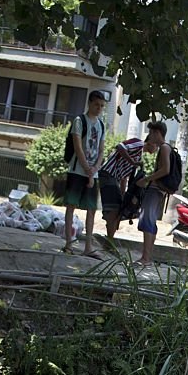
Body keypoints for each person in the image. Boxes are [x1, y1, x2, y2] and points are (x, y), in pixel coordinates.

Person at [63, 89, 106, 259]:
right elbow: (78, 146)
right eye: (96, 104)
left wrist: (95, 168)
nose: (99, 108)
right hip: (77, 170)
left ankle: (88, 246)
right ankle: (68, 243)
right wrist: (86, 168)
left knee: (91, 208)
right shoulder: (79, 121)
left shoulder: (101, 124)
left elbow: (101, 149)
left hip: (93, 173)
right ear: (90, 103)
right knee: (71, 205)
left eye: (102, 105)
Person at [134, 120, 173, 268]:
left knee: (147, 222)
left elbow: (165, 170)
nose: (149, 136)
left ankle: (145, 258)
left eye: (151, 132)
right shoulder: (167, 147)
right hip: (160, 190)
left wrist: (146, 179)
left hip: (155, 189)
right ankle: (147, 256)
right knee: (151, 222)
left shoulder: (163, 148)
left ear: (157, 133)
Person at [98, 136, 145, 239]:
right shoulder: (139, 144)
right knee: (113, 211)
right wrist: (132, 162)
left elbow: (124, 178)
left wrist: (123, 198)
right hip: (108, 173)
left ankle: (110, 239)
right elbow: (120, 146)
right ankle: (109, 242)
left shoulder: (139, 157)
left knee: (118, 211)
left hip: (115, 178)